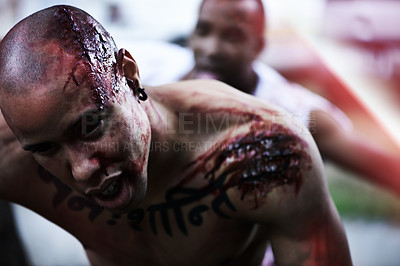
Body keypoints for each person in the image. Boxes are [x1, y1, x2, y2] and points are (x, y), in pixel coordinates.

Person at [0, 5, 352, 266]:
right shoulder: (14, 156)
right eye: (45, 149)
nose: (81, 170)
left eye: (91, 125)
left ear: (129, 75)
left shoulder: (262, 151)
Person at [182, 0, 400, 196]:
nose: (212, 49)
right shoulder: (155, 77)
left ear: (258, 47)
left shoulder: (293, 114)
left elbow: (388, 169)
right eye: (203, 31)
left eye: (233, 37)